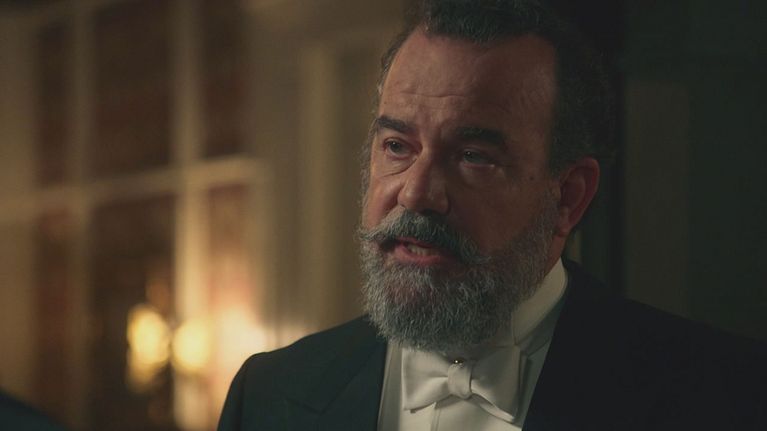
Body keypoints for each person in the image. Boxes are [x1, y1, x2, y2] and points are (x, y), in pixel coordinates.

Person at [218, 0, 767, 430]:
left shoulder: (722, 397)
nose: (416, 195)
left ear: (569, 197)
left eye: (473, 156)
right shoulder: (269, 395)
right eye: (397, 146)